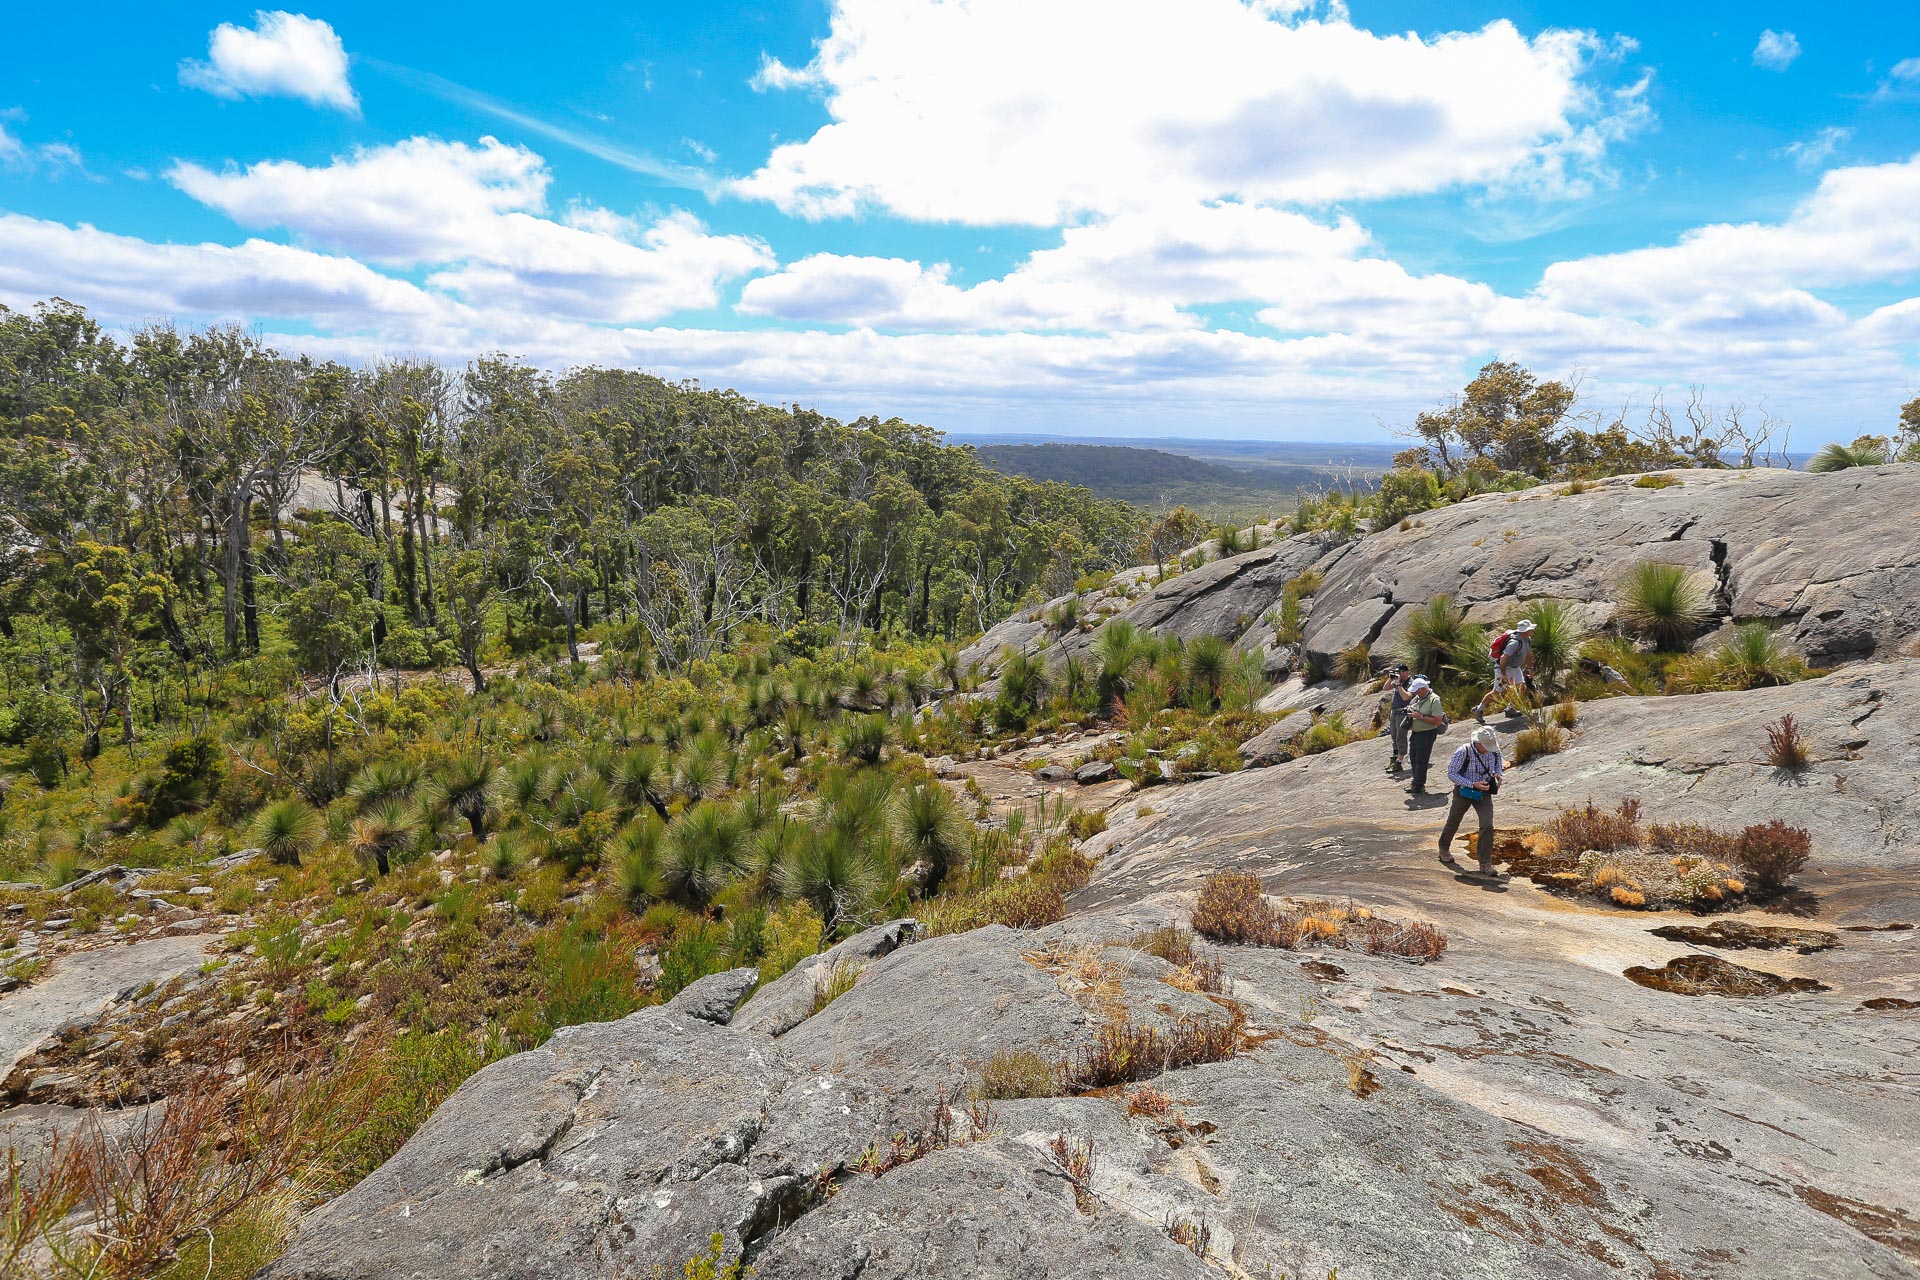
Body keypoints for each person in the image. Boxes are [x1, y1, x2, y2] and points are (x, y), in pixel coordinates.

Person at [1439, 725, 1504, 876]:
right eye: (1486, 747)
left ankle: (1485, 862)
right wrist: (1472, 784)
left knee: (1487, 825)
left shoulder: (1493, 749)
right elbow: (1451, 774)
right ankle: (1443, 848)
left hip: (1484, 792)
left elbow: (1498, 760)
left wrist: (1498, 773)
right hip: (1464, 791)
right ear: (1478, 743)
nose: (1489, 749)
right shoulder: (1464, 751)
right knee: (1454, 820)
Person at [1476, 619, 1536, 724]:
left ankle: (1510, 708)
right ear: (1525, 631)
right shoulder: (1514, 642)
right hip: (1503, 668)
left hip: (1515, 667)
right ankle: (1479, 709)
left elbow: (1528, 655)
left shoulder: (1527, 639)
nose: (1533, 631)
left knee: (1521, 686)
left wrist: (1531, 668)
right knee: (1498, 691)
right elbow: (1504, 658)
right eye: (1531, 629)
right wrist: (1503, 674)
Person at [1403, 675, 1446, 795]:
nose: (1414, 693)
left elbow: (1438, 720)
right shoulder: (1417, 698)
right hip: (1416, 733)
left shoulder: (1434, 700)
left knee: (1421, 760)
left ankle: (1418, 785)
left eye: (1416, 690)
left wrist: (1420, 717)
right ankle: (1416, 781)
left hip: (1427, 733)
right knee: (1413, 758)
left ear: (1423, 689)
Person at [1382, 662, 1413, 774]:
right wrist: (1392, 678)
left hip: (1403, 712)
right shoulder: (1397, 680)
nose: (1398, 674)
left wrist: (1399, 685)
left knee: (1401, 737)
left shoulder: (1411, 682)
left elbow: (1406, 697)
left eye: (1399, 672)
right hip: (1394, 712)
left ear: (1405, 672)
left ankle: (1399, 762)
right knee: (1394, 736)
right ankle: (1395, 758)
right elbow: (1385, 688)